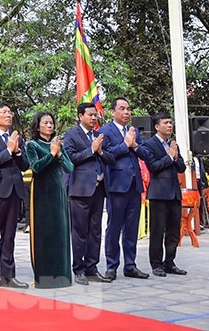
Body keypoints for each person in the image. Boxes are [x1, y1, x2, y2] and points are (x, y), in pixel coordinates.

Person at [63, 101, 115, 285]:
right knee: (80, 231)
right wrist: (91, 150)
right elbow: (69, 159)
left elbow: (110, 158)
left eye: (95, 115)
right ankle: (79, 269)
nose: (94, 118)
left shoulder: (99, 136)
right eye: (90, 115)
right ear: (80, 116)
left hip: (98, 189)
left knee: (95, 230)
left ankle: (92, 267)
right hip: (80, 191)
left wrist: (100, 151)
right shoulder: (71, 135)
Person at [100, 96, 149, 280]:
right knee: (114, 227)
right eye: (122, 109)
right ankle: (112, 266)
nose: (127, 112)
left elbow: (145, 154)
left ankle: (130, 265)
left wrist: (134, 144)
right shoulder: (105, 131)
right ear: (113, 112)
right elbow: (106, 155)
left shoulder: (133, 131)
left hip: (134, 186)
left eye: (128, 109)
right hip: (116, 186)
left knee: (131, 227)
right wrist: (125, 145)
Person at [0, 101, 30, 288]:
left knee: (9, 236)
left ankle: (8, 276)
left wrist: (17, 152)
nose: (9, 115)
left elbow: (25, 165)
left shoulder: (16, 137)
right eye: (4, 112)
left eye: (10, 112)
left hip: (14, 191)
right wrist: (9, 150)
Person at [25, 111, 74, 288]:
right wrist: (51, 155)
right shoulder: (32, 145)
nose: (49, 125)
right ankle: (44, 277)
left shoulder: (58, 145)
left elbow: (70, 168)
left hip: (58, 191)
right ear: (37, 126)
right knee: (45, 233)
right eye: (45, 123)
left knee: (61, 233)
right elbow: (36, 168)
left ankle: (62, 275)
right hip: (41, 192)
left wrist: (59, 154)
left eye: (51, 123)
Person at [141, 112, 185, 277]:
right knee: (158, 230)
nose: (169, 125)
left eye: (170, 122)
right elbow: (153, 166)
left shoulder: (173, 144)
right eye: (166, 123)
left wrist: (175, 157)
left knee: (174, 231)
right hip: (159, 194)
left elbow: (181, 167)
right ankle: (156, 264)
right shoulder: (149, 145)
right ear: (157, 126)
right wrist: (169, 157)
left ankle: (170, 262)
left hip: (174, 193)